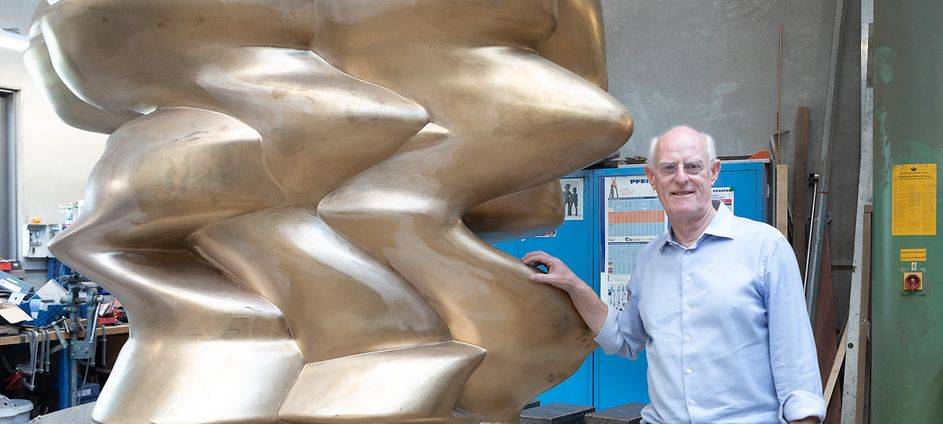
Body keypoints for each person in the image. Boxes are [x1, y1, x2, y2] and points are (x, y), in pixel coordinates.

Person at [524, 126, 824, 424]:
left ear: (713, 172)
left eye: (693, 166)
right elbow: (623, 338)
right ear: (652, 177)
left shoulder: (766, 247)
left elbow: (797, 368)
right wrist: (574, 285)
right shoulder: (649, 259)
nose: (681, 178)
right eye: (669, 168)